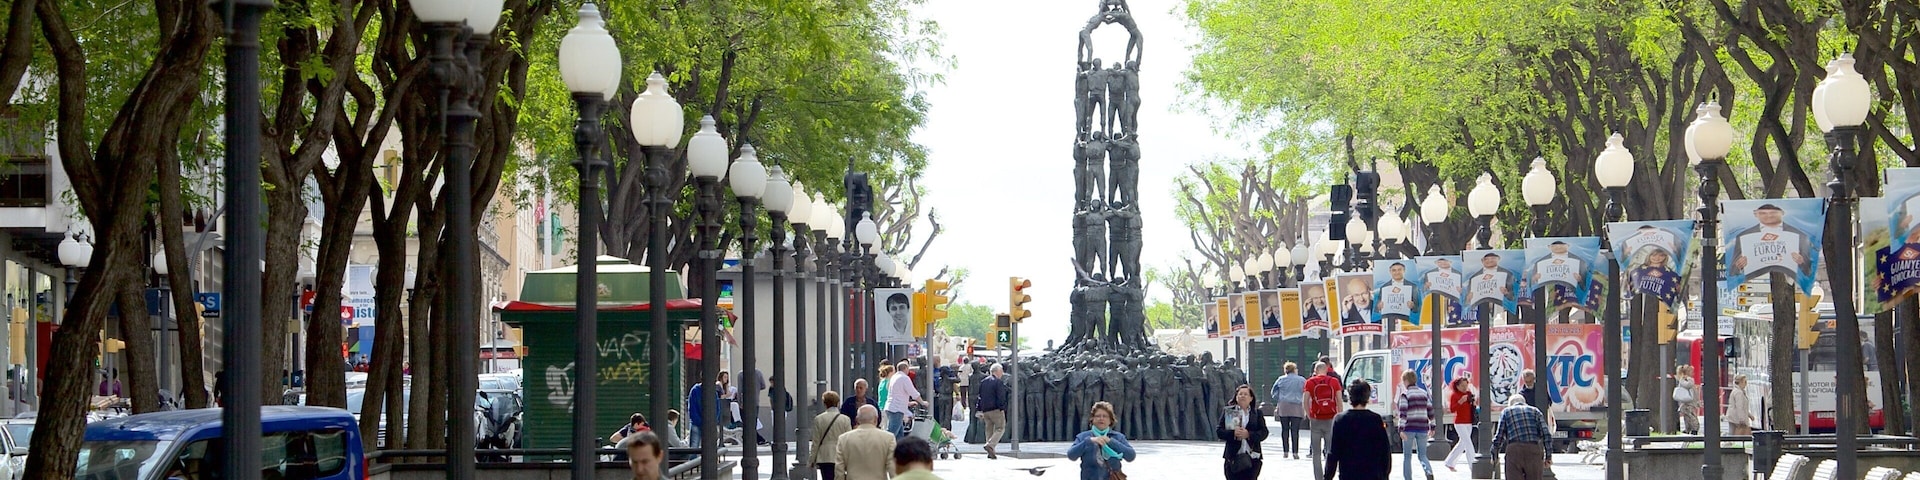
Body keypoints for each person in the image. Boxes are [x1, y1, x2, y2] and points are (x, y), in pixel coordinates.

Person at [1324, 379, 1391, 480]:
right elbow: (1384, 450)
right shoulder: (1375, 419)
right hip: (1372, 474)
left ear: (1350, 397)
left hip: (1348, 474)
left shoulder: (1340, 419)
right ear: (1367, 397)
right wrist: (1385, 474)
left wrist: (1328, 476)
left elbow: (1333, 452)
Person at [1068, 401, 1136, 480]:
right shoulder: (1083, 437)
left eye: (1105, 416)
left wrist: (1111, 442)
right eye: (1097, 416)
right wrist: (1089, 441)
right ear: (1092, 419)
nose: (1101, 419)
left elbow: (1131, 456)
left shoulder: (1118, 437)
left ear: (1111, 420)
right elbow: (1071, 455)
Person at [1492, 394, 1551, 480]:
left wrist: (1495, 455)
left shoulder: (1506, 412)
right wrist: (1548, 456)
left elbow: (1499, 436)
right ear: (1524, 402)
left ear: (1510, 404)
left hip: (1514, 451)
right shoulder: (1535, 411)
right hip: (1533, 450)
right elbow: (1546, 434)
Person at [1218, 384, 1270, 480]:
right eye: (1240, 394)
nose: (1242, 396)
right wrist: (1232, 433)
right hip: (1233, 458)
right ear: (1236, 397)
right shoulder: (1230, 412)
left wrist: (1248, 434)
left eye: (1245, 394)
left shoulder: (1257, 414)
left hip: (1252, 457)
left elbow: (1264, 432)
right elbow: (1219, 431)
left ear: (1251, 398)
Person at [1304, 361, 1343, 479]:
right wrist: (1339, 416)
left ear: (1315, 371)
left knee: (1316, 452)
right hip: (1331, 418)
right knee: (1330, 450)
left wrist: (1308, 415)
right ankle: (1329, 475)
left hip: (1316, 418)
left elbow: (1305, 401)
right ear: (1327, 370)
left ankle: (1318, 477)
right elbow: (1339, 401)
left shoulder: (1310, 382)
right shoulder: (1334, 381)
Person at [836, 405, 896, 480]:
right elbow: (892, 467)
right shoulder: (888, 438)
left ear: (857, 419)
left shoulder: (844, 439)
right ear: (876, 419)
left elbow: (839, 469)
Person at [1395, 371, 1434, 480]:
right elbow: (1430, 411)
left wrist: (1401, 429)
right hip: (1422, 428)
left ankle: (1408, 478)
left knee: (1407, 456)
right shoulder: (1424, 393)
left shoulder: (1405, 394)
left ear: (1406, 381)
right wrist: (1433, 426)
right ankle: (1428, 471)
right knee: (1422, 455)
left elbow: (1403, 413)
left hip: (1409, 428)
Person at [1269, 361, 1307, 460]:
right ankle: (1295, 452)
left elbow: (1273, 392)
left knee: (1284, 429)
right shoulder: (1302, 380)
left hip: (1284, 406)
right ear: (1294, 370)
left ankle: (1285, 451)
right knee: (1295, 430)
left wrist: (1280, 398)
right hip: (1297, 407)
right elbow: (1306, 391)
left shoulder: (1281, 379)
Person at [812, 391, 854, 480]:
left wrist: (812, 460)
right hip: (840, 455)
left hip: (824, 456)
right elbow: (849, 440)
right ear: (838, 403)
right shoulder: (845, 419)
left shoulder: (819, 419)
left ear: (824, 403)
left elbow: (816, 441)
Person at [974, 363, 1010, 459]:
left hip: (985, 410)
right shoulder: (998, 382)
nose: (1002, 373)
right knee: (1000, 428)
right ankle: (990, 445)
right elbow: (1001, 397)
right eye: (1001, 371)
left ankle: (991, 452)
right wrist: (1002, 408)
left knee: (989, 430)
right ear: (996, 371)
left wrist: (979, 409)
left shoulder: (983, 382)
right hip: (996, 409)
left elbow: (980, 397)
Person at [1443, 377, 1477, 472]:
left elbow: (1473, 407)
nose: (1464, 388)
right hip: (1459, 422)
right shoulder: (1454, 395)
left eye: (1466, 386)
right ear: (1457, 386)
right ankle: (1473, 464)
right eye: (1462, 386)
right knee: (1468, 443)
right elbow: (1452, 409)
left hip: (1469, 421)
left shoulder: (1469, 394)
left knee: (1462, 443)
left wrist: (1473, 403)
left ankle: (1449, 462)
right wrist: (1460, 402)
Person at [885, 361, 922, 438]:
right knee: (892, 433)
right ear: (905, 368)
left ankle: (900, 448)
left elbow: (897, 394)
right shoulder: (904, 378)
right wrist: (922, 402)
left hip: (891, 407)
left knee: (899, 434)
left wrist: (908, 403)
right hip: (897, 409)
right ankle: (884, 448)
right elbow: (913, 392)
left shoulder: (894, 377)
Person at [1673, 364, 1700, 434]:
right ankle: (1688, 428)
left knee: (1690, 414)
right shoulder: (1686, 379)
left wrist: (1681, 380)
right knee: (1686, 415)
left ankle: (1695, 428)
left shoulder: (1689, 380)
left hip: (1690, 401)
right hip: (1687, 401)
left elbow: (1688, 385)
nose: (1693, 374)